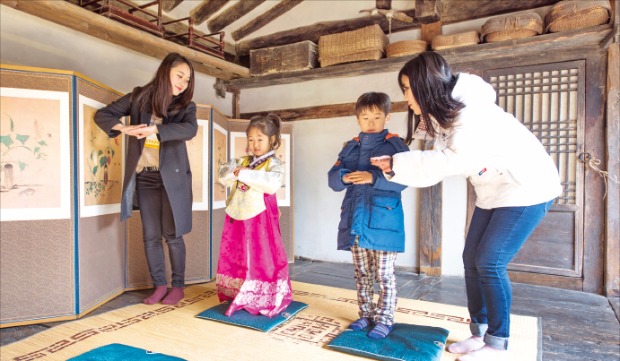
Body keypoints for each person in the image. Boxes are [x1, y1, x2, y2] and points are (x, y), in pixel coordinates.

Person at [371, 51, 561, 361]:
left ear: (424, 86)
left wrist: (396, 164)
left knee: (489, 261)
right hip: (493, 190)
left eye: (407, 88)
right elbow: (439, 160)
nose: (405, 97)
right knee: (471, 258)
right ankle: (479, 333)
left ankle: (498, 342)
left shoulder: (471, 114)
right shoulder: (443, 113)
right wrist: (396, 165)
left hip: (527, 187)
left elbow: (450, 161)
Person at [95, 53, 197, 306]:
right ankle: (159, 285)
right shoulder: (139, 97)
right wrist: (123, 128)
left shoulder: (186, 106)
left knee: (172, 236)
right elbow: (104, 114)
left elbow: (190, 130)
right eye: (179, 75)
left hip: (172, 180)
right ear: (165, 72)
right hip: (146, 178)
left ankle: (178, 286)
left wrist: (156, 130)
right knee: (150, 236)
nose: (183, 83)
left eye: (187, 79)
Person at [328, 92, 410, 339]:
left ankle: (385, 319)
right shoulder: (350, 146)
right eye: (365, 117)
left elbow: (406, 178)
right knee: (362, 273)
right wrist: (344, 177)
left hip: (384, 221)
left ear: (387, 116)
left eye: (376, 116)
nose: (371, 122)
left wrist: (373, 178)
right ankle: (365, 315)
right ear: (357, 118)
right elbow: (333, 178)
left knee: (384, 275)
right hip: (356, 220)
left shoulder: (396, 145)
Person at [216, 114, 292, 317]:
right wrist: (237, 171)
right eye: (251, 139)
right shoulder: (242, 161)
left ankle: (262, 295)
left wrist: (243, 174)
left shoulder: (273, 164)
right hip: (238, 216)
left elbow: (272, 184)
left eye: (260, 139)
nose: (255, 144)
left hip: (260, 217)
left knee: (260, 255)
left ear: (272, 140)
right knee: (239, 253)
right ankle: (241, 292)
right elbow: (223, 177)